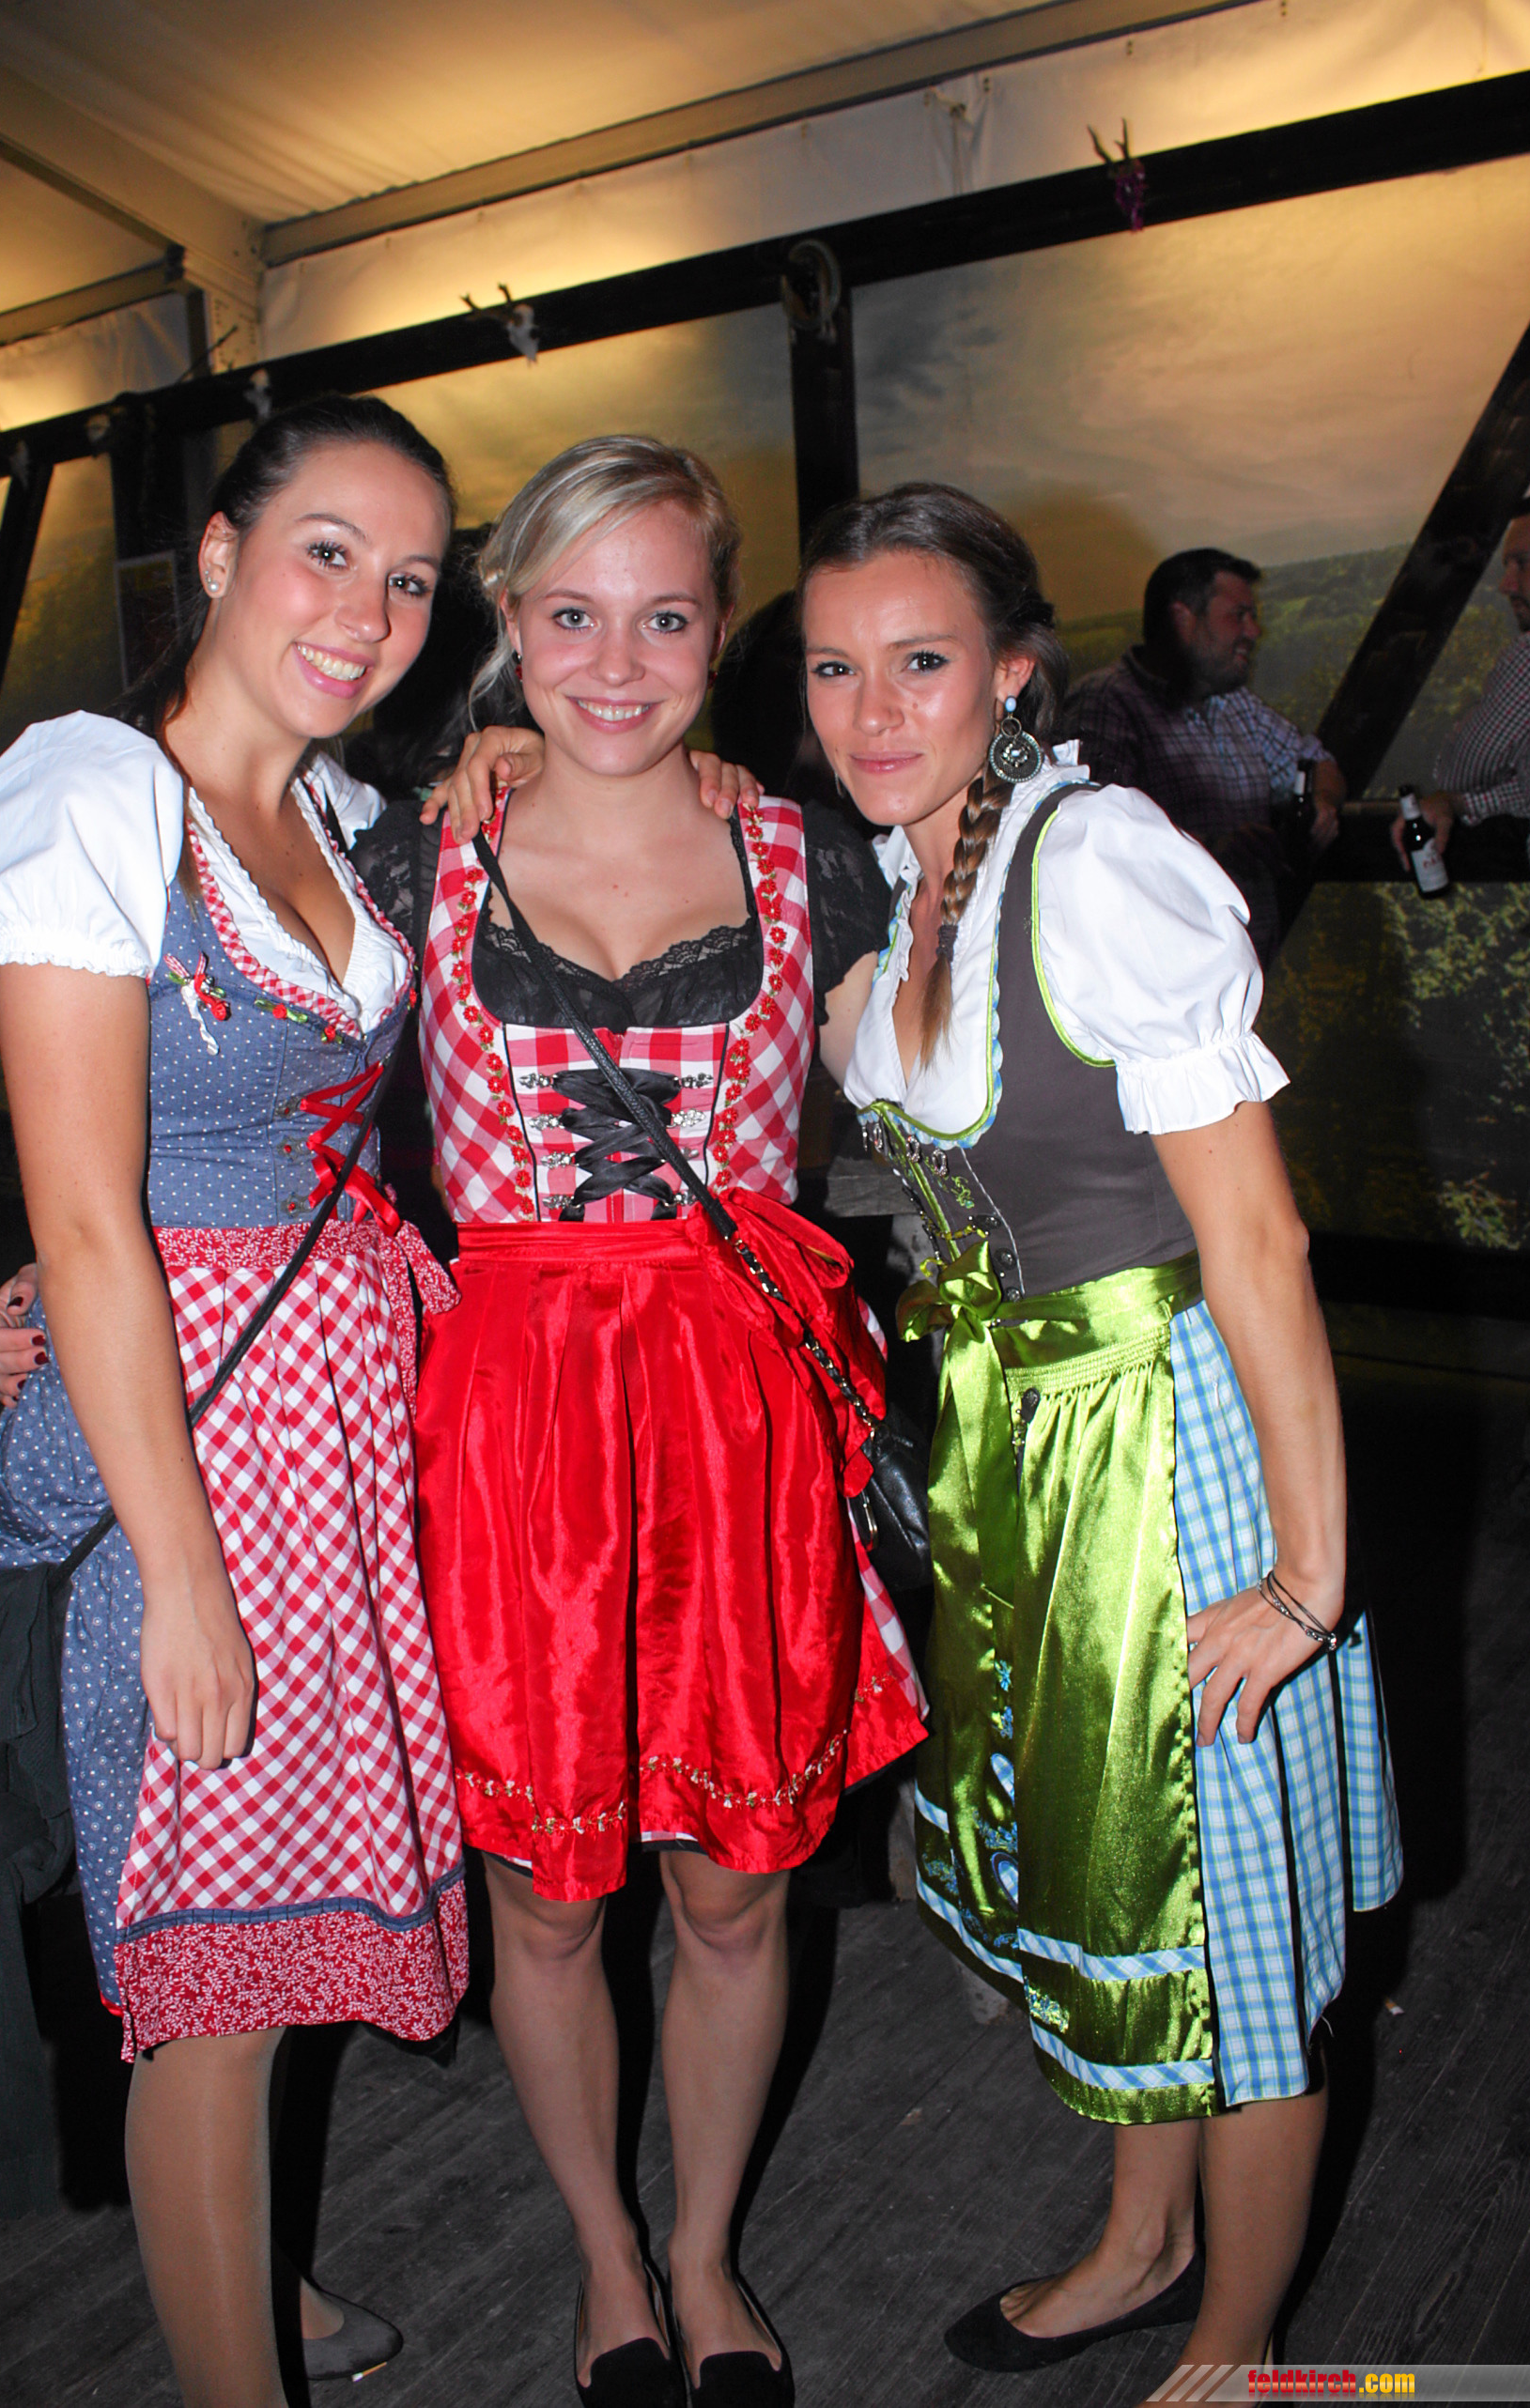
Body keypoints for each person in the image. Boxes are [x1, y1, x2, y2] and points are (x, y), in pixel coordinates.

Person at [800, 483, 1400, 2386]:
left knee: (1232, 1932)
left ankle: (1239, 2346)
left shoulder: (1098, 866)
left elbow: (1259, 1246)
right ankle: (1146, 2240)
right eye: (832, 668)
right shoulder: (909, 879)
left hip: (1165, 1450)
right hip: (1023, 1455)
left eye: (919, 662)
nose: (872, 710)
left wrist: (1304, 1582)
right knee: (1121, 1874)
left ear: (1011, 671)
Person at [356, 436, 926, 2405]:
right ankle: (607, 2250)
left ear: (720, 626)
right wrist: (57, 1267)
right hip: (512, 1432)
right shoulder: (411, 854)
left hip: (742, 1421)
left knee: (735, 1883)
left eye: (664, 617)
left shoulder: (807, 853)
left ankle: (705, 2251)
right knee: (545, 1888)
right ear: (509, 623)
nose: (617, 663)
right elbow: (252, 1082)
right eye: (573, 616)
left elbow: (968, 1075)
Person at [0, 395, 473, 2408]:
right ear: (225, 554)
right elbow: (89, 1224)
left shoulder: (338, 817)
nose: (368, 611)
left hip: (341, 1416)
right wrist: (176, 1577)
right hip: (200, 1450)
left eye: (410, 578)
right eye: (328, 550)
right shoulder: (97, 792)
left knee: (290, 1915)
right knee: (213, 1976)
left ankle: (254, 2268)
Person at [1067, 548, 1346, 967]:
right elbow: (1093, 837)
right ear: (1182, 619)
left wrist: (1323, 801)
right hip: (1162, 979)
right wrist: (1209, 851)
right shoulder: (1107, 702)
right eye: (1239, 615)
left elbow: (1317, 762)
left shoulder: (1235, 704)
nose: (1254, 631)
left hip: (1244, 977)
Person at [1394, 495, 1530, 888]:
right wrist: (1461, 805)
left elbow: (1461, 771)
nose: (1506, 585)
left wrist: (1452, 796)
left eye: (1522, 563)